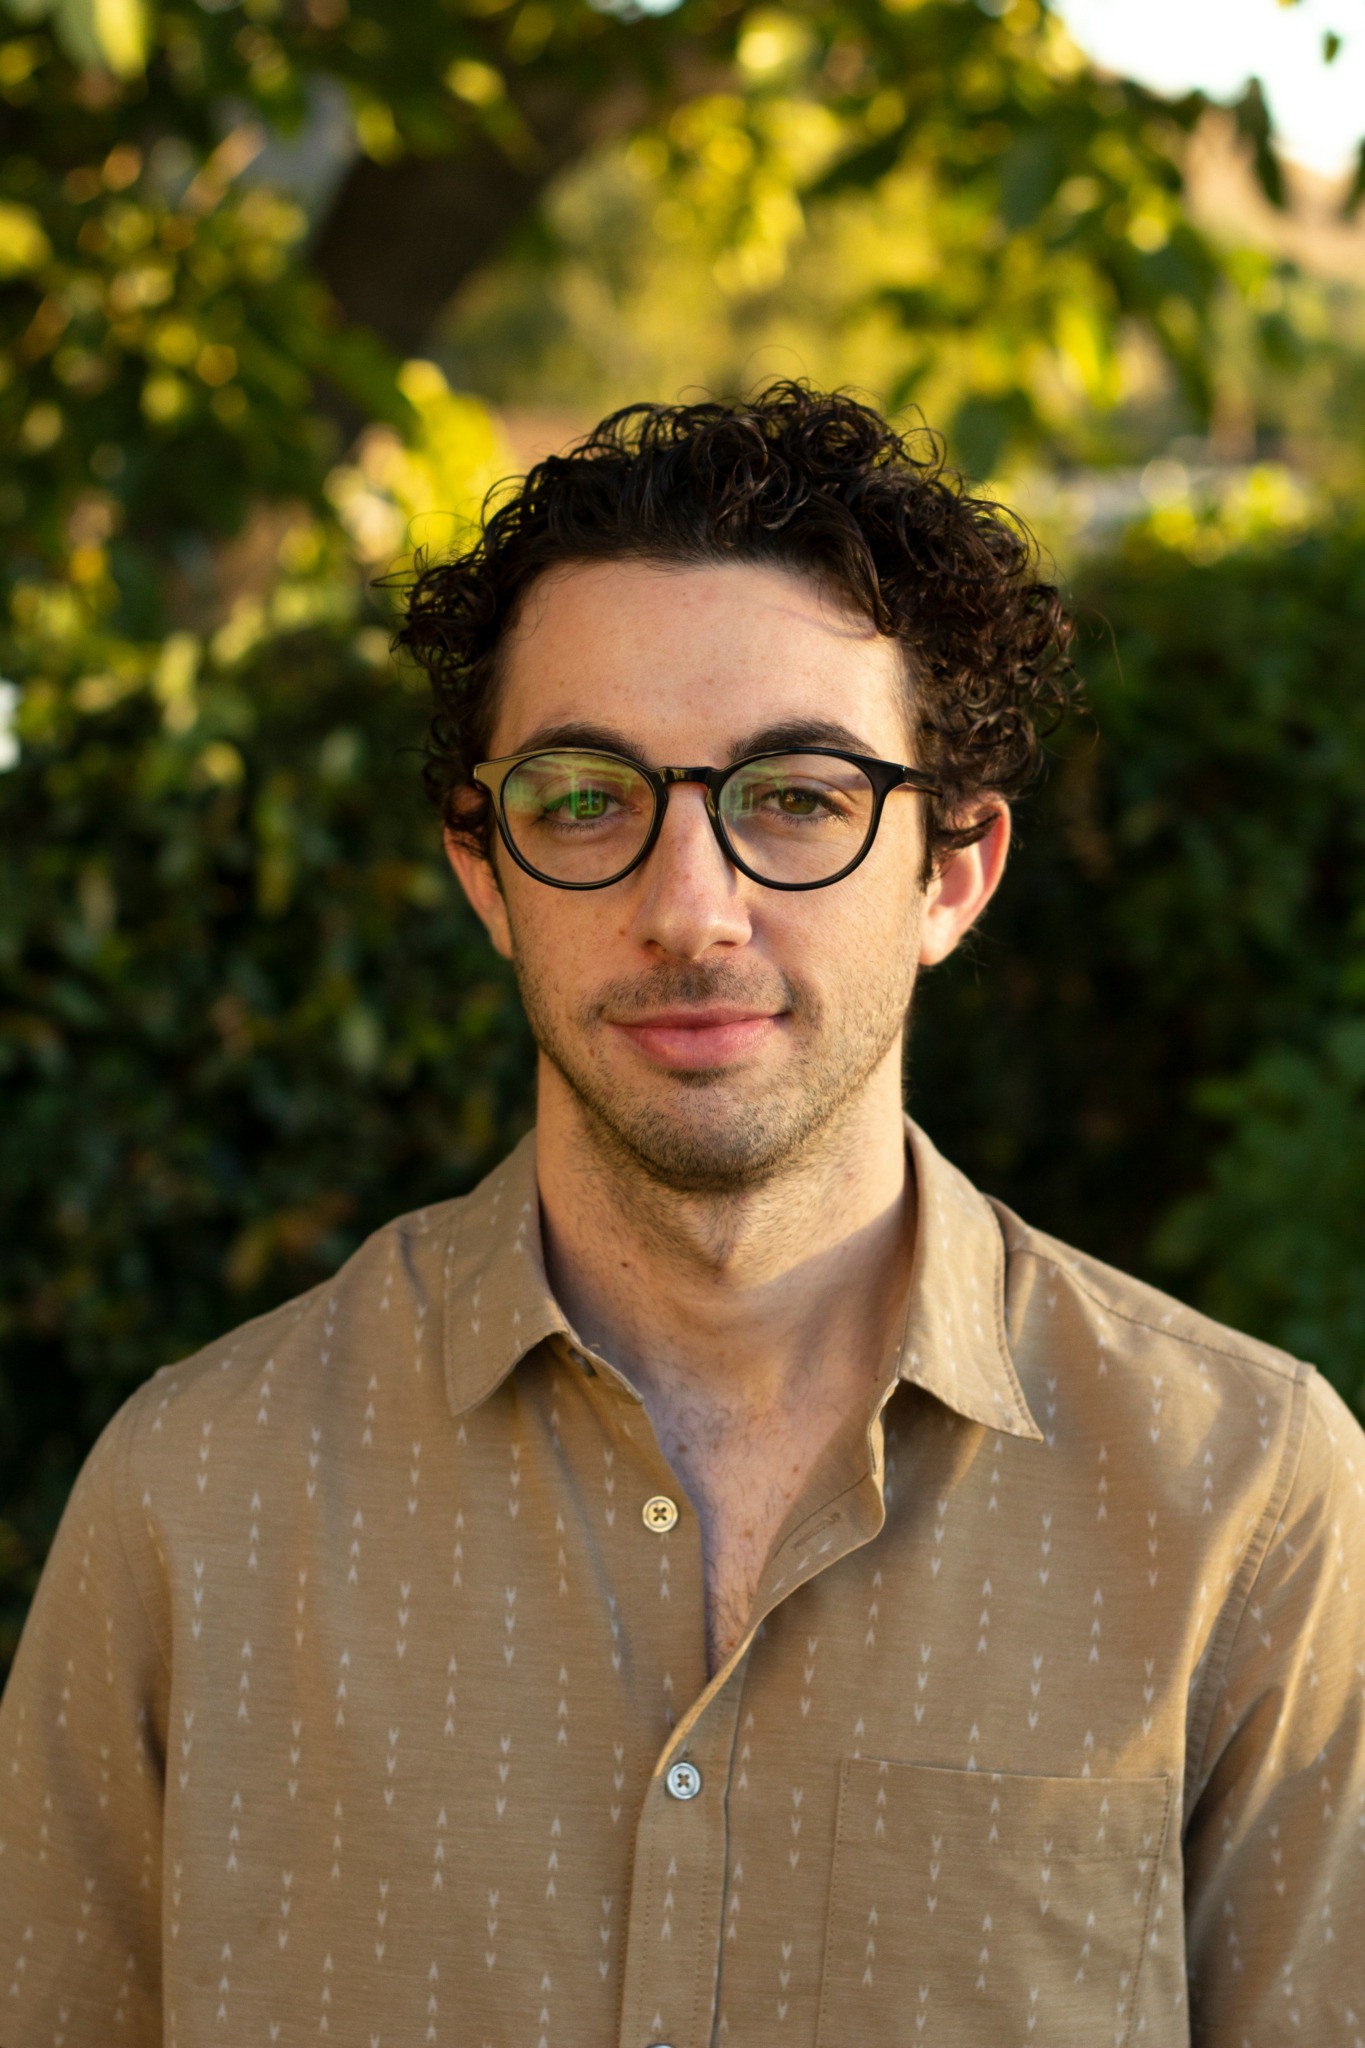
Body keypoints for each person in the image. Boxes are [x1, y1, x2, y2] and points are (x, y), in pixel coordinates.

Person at [2, 385, 1362, 2048]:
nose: (689, 909)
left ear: (950, 871)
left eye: (795, 796)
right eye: (584, 798)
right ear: (483, 869)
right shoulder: (194, 1499)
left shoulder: (1241, 1503)